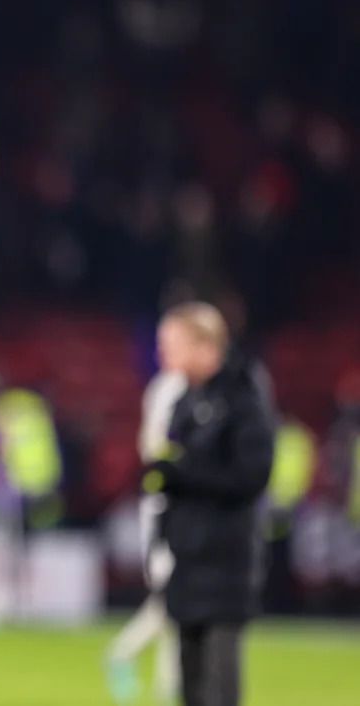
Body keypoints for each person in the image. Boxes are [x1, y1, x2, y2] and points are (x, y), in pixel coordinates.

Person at [143, 302, 275, 706]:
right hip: (187, 556)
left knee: (218, 681)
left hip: (224, 558)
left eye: (171, 343)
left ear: (205, 345)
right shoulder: (186, 399)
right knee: (190, 680)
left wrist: (184, 472)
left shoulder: (243, 400)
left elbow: (251, 477)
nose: (162, 353)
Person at [105, 366, 186, 705]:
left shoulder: (172, 387)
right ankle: (128, 657)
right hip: (167, 506)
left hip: (173, 505)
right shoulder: (172, 388)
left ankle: (134, 662)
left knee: (173, 606)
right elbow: (157, 449)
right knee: (173, 603)